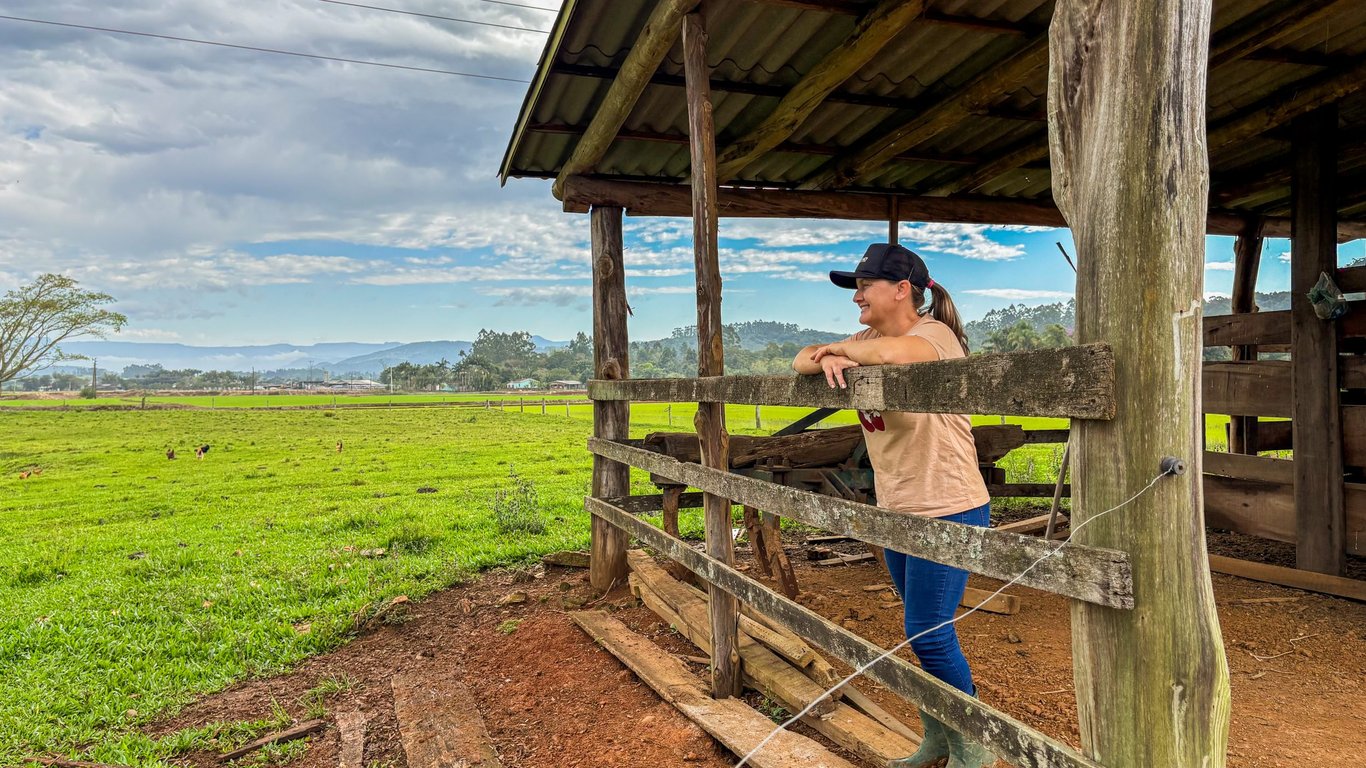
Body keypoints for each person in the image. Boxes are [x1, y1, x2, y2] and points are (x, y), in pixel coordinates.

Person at [792, 242, 994, 768]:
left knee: (928, 631)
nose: (856, 296)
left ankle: (975, 745)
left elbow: (894, 356)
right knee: (921, 629)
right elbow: (800, 359)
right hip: (899, 508)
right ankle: (939, 740)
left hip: (948, 504)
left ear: (903, 289)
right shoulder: (866, 340)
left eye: (866, 285)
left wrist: (840, 350)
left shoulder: (935, 335)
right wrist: (830, 354)